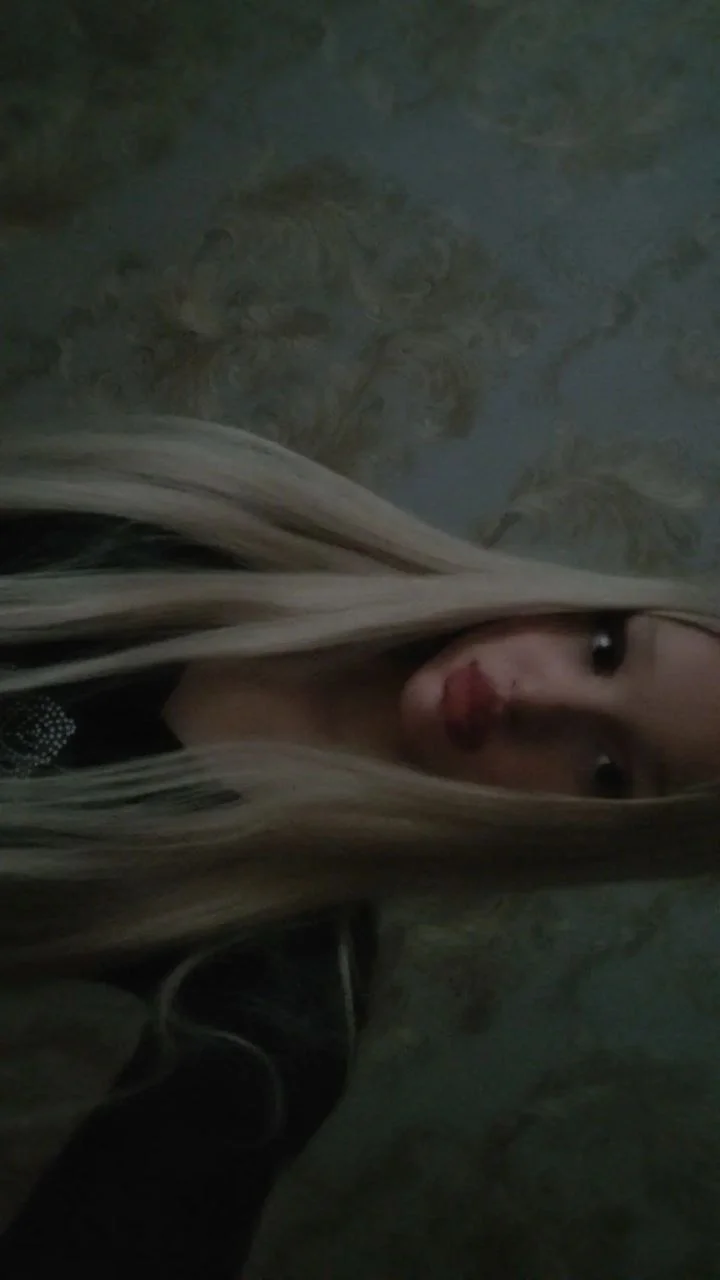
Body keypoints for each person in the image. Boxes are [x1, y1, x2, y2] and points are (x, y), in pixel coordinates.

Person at [0, 412, 719, 1277]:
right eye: (602, 648)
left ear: (584, 843)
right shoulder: (219, 510)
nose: (542, 701)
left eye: (607, 770)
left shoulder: (277, 1003)